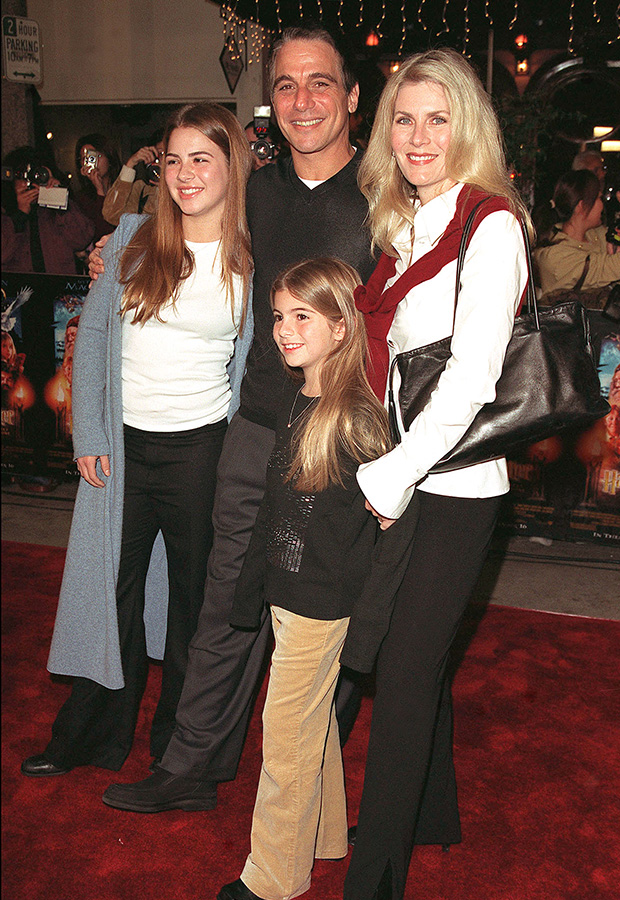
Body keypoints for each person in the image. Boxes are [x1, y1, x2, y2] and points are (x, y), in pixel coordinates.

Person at [99, 25, 375, 814]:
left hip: (339, 441)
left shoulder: (387, 199)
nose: (302, 100)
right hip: (254, 428)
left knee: (329, 616)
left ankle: (317, 780)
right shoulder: (257, 192)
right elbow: (182, 229)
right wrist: (111, 246)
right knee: (226, 602)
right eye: (285, 85)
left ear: (352, 98)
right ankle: (192, 769)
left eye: (320, 82)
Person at [339, 48, 531, 900]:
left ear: (468, 126)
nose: (418, 137)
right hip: (407, 470)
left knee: (407, 667)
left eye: (437, 118)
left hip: (453, 485)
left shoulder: (488, 224)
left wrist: (393, 474)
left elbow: (472, 378)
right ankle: (430, 814)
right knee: (415, 655)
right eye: (404, 119)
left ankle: (374, 875)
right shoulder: (406, 219)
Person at [20, 102, 254, 777]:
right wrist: (87, 432)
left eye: (200, 158)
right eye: (173, 159)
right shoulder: (129, 238)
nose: (184, 173)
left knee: (191, 605)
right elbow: (92, 338)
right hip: (121, 450)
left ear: (230, 164)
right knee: (109, 593)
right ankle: (92, 736)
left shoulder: (250, 256)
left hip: (203, 452)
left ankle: (176, 748)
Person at [218, 257, 390, 900]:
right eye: (279, 317)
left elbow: (382, 526)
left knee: (285, 736)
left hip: (322, 603)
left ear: (343, 326)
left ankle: (274, 879)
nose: (285, 330)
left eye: (303, 317)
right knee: (308, 722)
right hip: (292, 593)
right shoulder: (304, 396)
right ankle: (323, 839)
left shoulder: (355, 417)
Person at [2, 146, 95, 274]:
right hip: (19, 290)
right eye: (21, 176)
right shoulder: (6, 215)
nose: (28, 183)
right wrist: (20, 215)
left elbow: (82, 240)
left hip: (59, 288)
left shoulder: (57, 208)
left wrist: (58, 197)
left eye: (34, 175)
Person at [534, 169, 620, 302]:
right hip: (570, 322)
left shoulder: (594, 234)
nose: (602, 203)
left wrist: (615, 239)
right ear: (581, 205)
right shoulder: (555, 255)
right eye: (598, 198)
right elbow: (611, 267)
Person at [102, 129, 164, 224]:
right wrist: (131, 164)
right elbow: (111, 215)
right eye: (160, 154)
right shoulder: (141, 189)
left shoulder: (184, 189)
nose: (162, 160)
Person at [74, 133, 121, 242]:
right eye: (84, 159)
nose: (91, 163)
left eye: (95, 156)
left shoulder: (125, 189)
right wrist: (100, 191)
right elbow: (100, 233)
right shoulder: (82, 199)